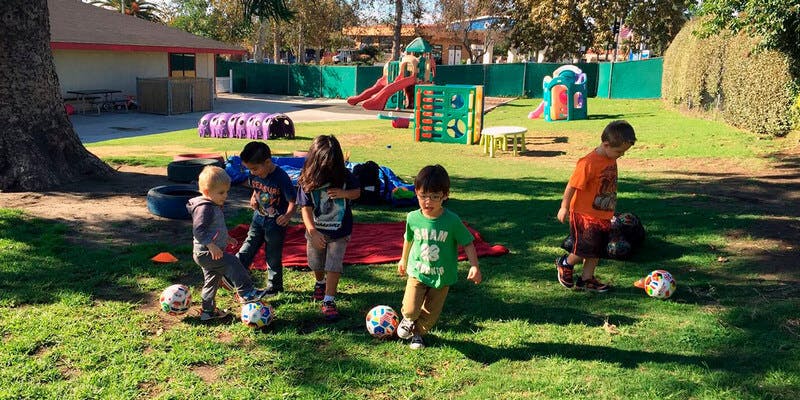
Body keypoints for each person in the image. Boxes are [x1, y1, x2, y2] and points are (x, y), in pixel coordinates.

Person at [396, 165, 482, 349]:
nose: (428, 202)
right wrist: (403, 259)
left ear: (445, 196)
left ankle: (418, 334)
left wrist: (474, 266)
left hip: (442, 277)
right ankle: (408, 319)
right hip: (418, 271)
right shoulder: (412, 218)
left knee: (431, 313)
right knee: (410, 308)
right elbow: (408, 239)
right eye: (423, 196)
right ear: (416, 193)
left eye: (435, 197)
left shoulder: (452, 221)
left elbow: (468, 243)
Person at [555, 120, 637, 292]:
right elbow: (572, 186)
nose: (621, 155)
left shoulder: (610, 158)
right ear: (606, 144)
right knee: (584, 248)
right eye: (619, 151)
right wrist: (564, 207)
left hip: (603, 215)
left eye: (623, 152)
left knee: (597, 249)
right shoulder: (588, 163)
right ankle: (565, 263)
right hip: (584, 214)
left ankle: (586, 279)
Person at [187, 166, 267, 321]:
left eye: (226, 192)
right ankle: (247, 292)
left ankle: (207, 312)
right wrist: (211, 245)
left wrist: (226, 238)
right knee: (234, 263)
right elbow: (199, 230)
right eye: (221, 192)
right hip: (207, 252)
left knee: (211, 281)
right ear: (207, 192)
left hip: (205, 253)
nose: (225, 196)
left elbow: (213, 228)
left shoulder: (211, 204)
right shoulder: (204, 208)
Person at [296, 135, 361, 320]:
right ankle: (320, 282)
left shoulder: (345, 176)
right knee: (316, 263)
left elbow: (357, 192)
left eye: (332, 165)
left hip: (340, 231)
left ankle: (329, 299)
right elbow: (305, 208)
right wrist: (312, 231)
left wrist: (344, 193)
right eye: (324, 165)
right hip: (316, 231)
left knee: (334, 264)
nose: (329, 169)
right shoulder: (307, 179)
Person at [235, 141, 297, 297]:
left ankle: (274, 286)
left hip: (276, 223)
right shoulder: (254, 173)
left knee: (273, 253)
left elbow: (293, 200)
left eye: (255, 169)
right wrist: (253, 197)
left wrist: (288, 215)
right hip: (258, 217)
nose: (252, 172)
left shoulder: (281, 177)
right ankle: (234, 274)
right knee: (249, 244)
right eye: (250, 169)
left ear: (268, 162)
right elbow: (256, 188)